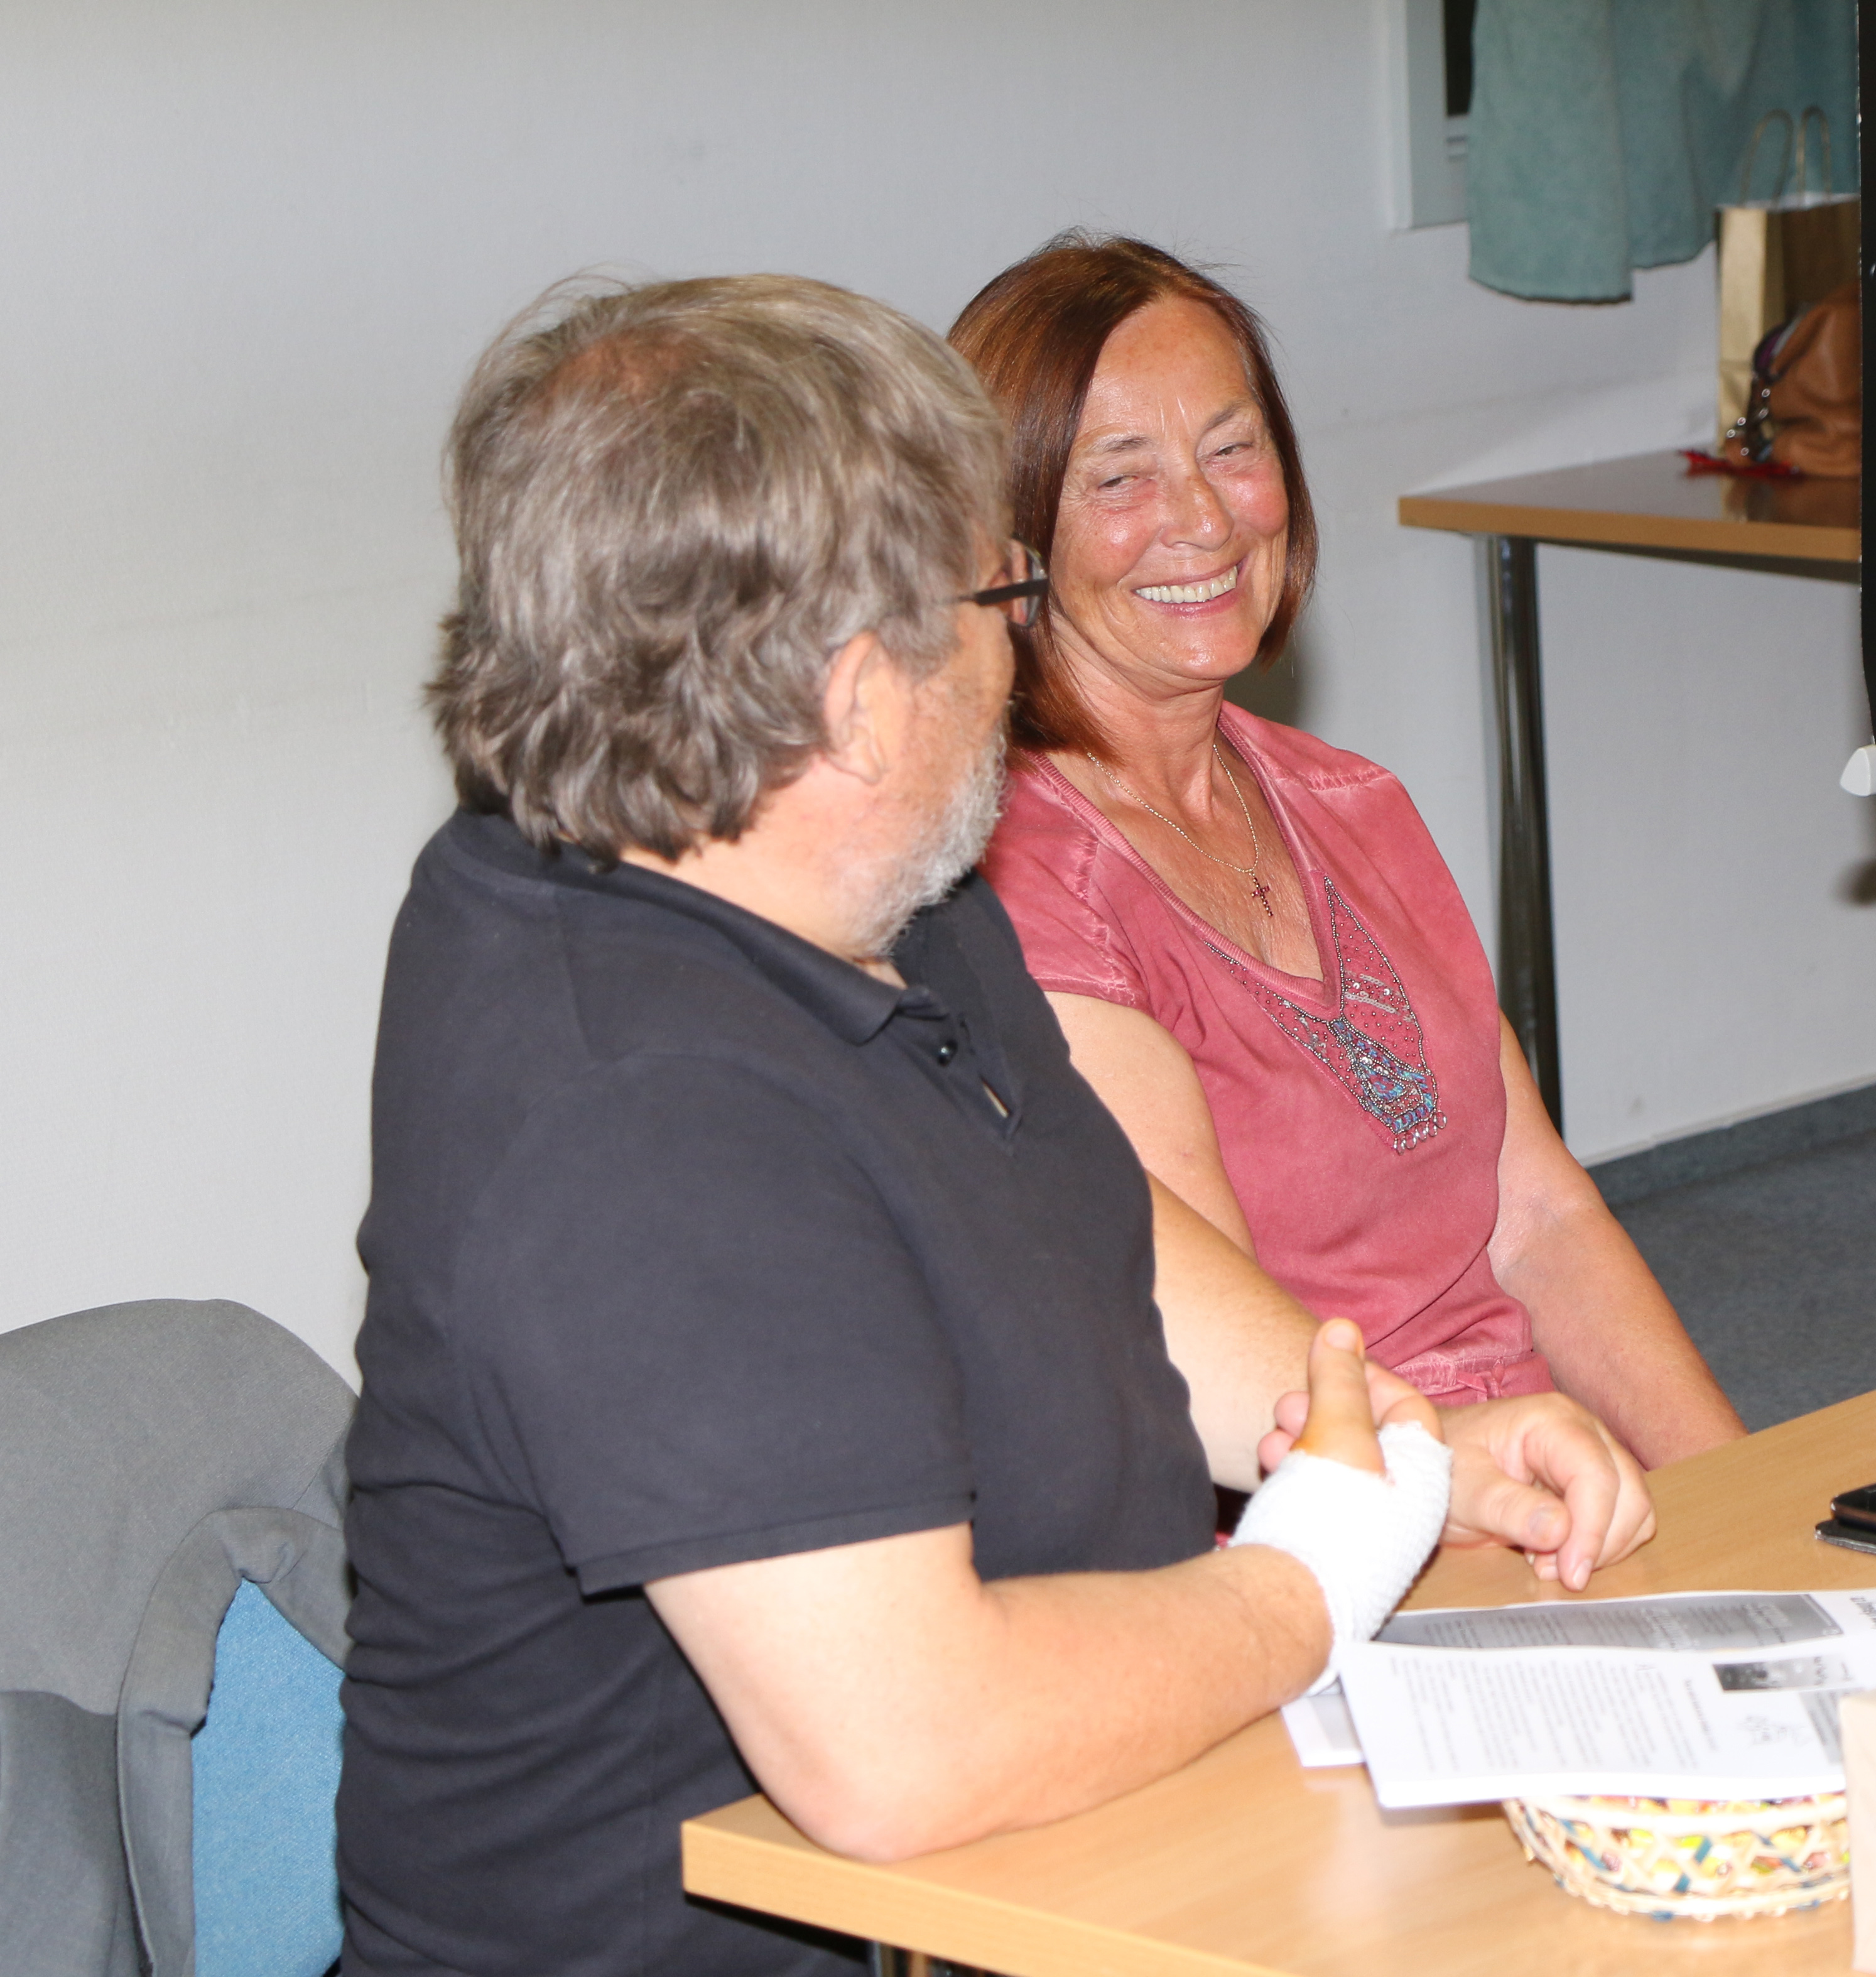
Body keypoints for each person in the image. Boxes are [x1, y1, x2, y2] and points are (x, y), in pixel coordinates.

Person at [339, 273, 1654, 1977]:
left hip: (1053, 1861)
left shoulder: (874, 888)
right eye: (999, 592)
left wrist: (1391, 1441)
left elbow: (1087, 1219)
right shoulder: (636, 1115)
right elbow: (904, 1750)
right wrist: (1306, 1581)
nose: (1023, 642)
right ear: (855, 695)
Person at [948, 236, 1745, 1466]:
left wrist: (1742, 1488)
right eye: (1119, 477)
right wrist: (1490, 1492)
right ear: (1011, 537)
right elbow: (1218, 1378)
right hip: (1322, 1504)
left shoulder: (1350, 801)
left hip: (1539, 1464)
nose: (1204, 517)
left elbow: (1537, 1216)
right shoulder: (1020, 890)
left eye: (1232, 449)